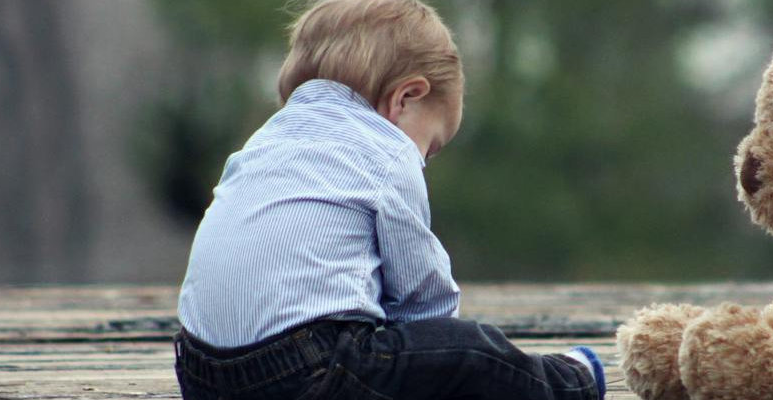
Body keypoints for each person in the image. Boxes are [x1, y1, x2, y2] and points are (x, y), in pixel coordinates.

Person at [173, 1, 604, 399]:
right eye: (430, 148)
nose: (423, 162)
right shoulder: (386, 149)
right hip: (307, 370)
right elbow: (423, 299)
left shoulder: (265, 139)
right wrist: (437, 357)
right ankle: (571, 382)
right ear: (405, 98)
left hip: (200, 371)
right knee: (472, 349)